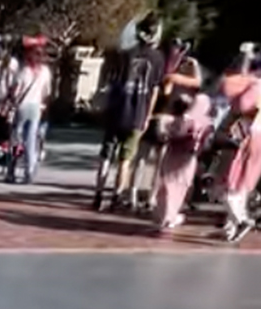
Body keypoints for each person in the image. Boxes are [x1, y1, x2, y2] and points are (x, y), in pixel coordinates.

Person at [95, 22, 167, 211]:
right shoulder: (157, 58)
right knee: (125, 159)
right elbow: (154, 91)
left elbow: (110, 81)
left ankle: (98, 194)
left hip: (116, 110)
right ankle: (116, 196)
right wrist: (147, 116)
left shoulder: (124, 54)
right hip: (137, 113)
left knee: (106, 155)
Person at [149, 52, 211, 232]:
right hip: (186, 143)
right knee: (178, 182)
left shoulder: (178, 87)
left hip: (177, 140)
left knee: (169, 180)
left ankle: (166, 215)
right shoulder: (199, 97)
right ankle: (168, 215)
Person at [217, 48, 260, 244]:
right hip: (257, 138)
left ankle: (241, 221)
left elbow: (242, 104)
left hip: (250, 137)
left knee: (230, 187)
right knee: (242, 187)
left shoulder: (256, 86)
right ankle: (231, 227)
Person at [2, 41, 54, 184]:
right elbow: (47, 92)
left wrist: (11, 99)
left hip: (22, 106)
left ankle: (11, 171)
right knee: (31, 140)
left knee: (16, 140)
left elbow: (16, 90)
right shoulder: (45, 72)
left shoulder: (24, 71)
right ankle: (29, 172)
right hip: (36, 107)